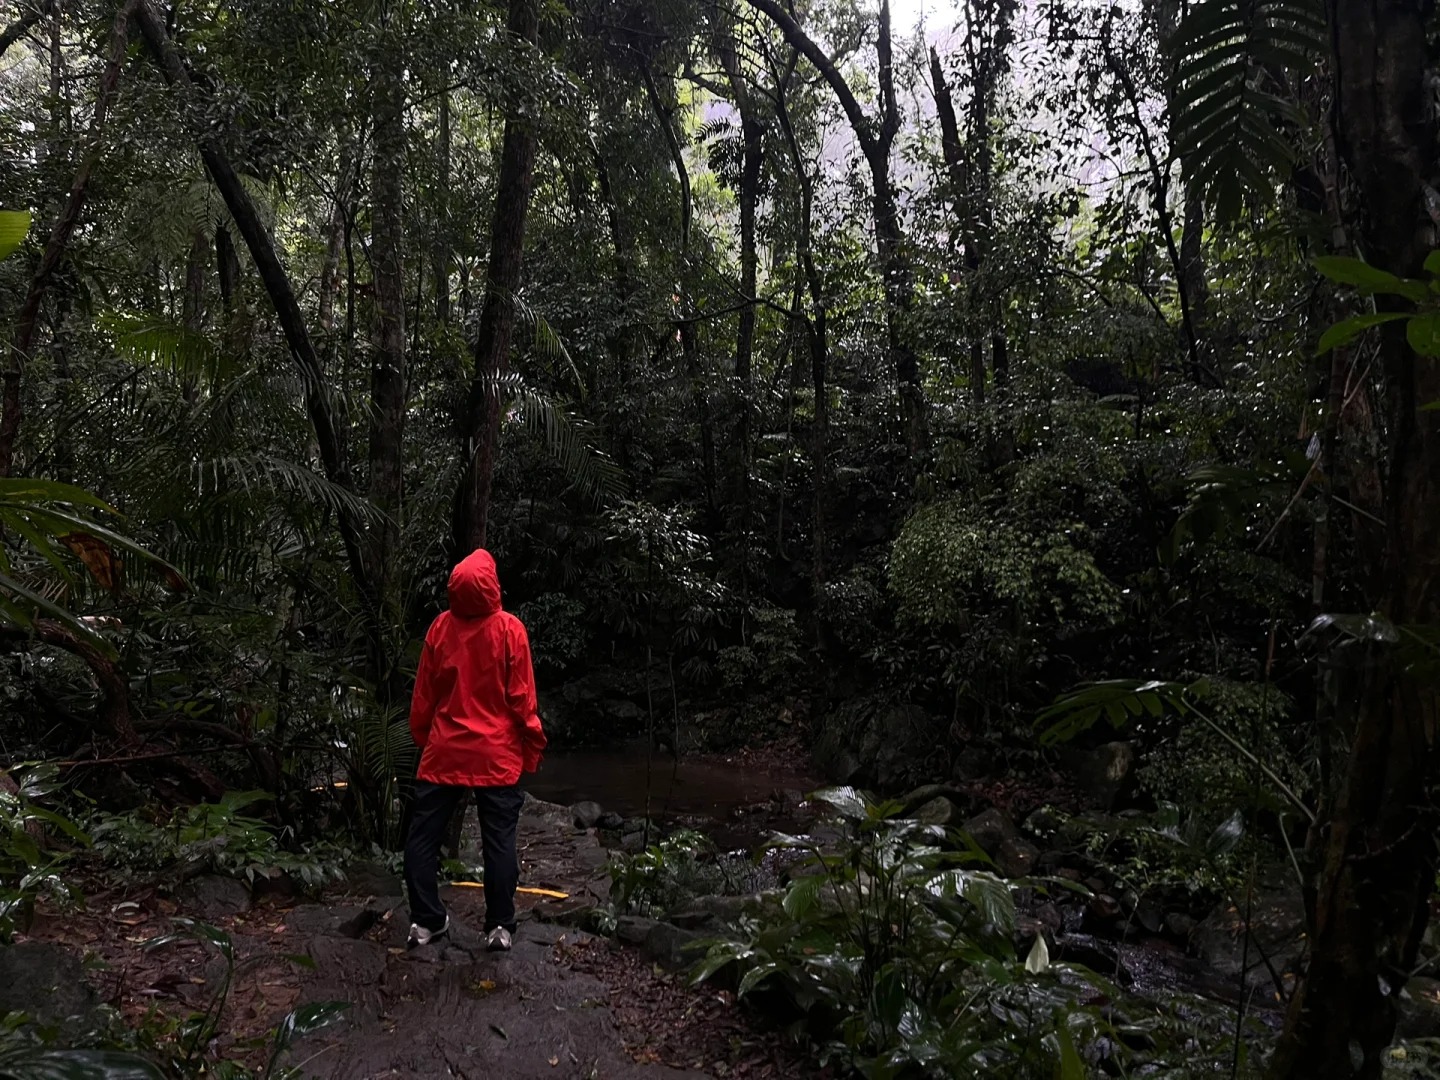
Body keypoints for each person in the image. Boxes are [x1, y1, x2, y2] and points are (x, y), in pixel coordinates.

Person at [403, 548, 547, 951]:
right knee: (499, 841)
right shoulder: (510, 630)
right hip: (495, 755)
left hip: (445, 751)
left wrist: (425, 739)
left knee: (422, 839)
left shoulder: (439, 628)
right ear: (492, 584)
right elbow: (523, 700)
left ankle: (426, 921)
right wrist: (531, 747)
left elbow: (423, 698)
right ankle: (499, 927)